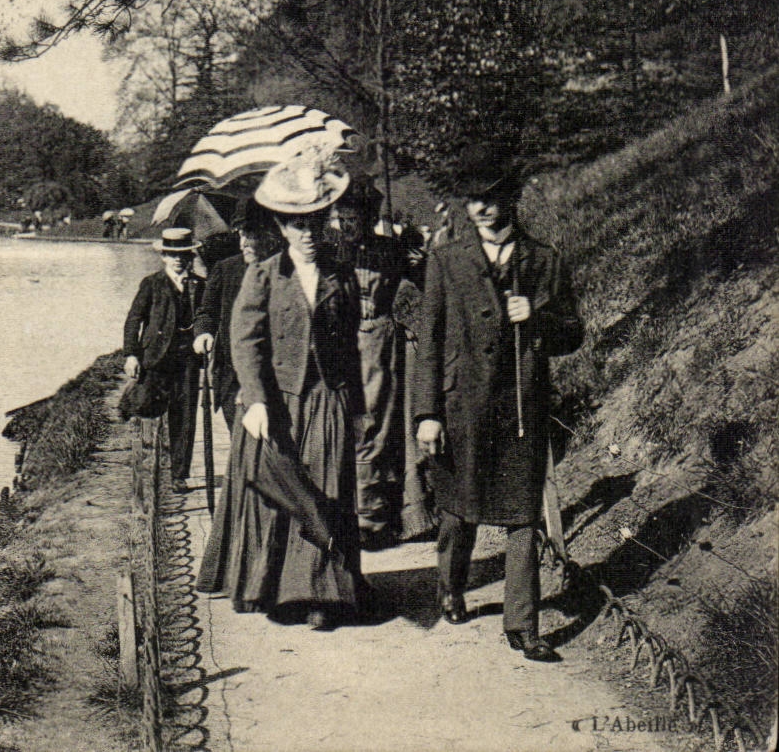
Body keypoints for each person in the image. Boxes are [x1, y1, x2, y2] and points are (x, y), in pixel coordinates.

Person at [410, 144, 583, 663]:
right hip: (462, 409)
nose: (482, 208)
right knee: (459, 512)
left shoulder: (544, 260)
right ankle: (450, 586)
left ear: (511, 199)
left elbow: (572, 334)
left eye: (491, 198)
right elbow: (431, 340)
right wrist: (427, 413)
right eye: (473, 200)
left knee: (521, 517)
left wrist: (537, 316)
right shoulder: (446, 260)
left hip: (522, 413)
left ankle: (522, 626)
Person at [196, 147, 367, 630]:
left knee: (327, 489)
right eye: (298, 226)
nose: (308, 234)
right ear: (282, 227)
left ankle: (323, 596)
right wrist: (254, 398)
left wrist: (354, 401)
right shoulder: (264, 275)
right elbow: (244, 340)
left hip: (325, 398)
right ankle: (277, 589)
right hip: (279, 400)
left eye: (316, 222)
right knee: (283, 495)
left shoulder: (341, 274)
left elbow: (350, 339)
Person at [333, 182, 418, 549]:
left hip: (380, 343)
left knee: (381, 426)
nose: (349, 226)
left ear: (370, 218)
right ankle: (357, 511)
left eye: (356, 218)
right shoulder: (331, 253)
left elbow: (426, 281)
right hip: (343, 341)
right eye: (343, 218)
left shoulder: (390, 250)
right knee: (352, 425)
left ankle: (379, 515)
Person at [123, 227, 205, 493]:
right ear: (164, 257)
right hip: (156, 358)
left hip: (187, 361)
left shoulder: (199, 285)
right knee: (146, 406)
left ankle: (179, 475)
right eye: (172, 254)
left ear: (190, 256)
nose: (178, 260)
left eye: (183, 254)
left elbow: (208, 319)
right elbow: (134, 319)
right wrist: (131, 354)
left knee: (185, 416)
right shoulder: (152, 284)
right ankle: (144, 462)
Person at [193, 200, 281, 428]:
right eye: (240, 234)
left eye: (249, 235)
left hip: (277, 376)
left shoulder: (286, 271)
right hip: (232, 375)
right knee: (240, 446)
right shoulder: (226, 269)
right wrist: (204, 333)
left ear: (269, 235)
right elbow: (207, 312)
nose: (242, 243)